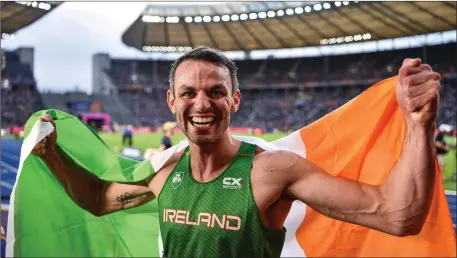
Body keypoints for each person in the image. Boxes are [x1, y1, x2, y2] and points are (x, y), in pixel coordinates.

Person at [32, 46, 440, 258]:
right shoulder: (167, 170)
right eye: (188, 93)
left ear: (236, 100)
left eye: (216, 92)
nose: (202, 104)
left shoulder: (272, 170)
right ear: (171, 102)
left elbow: (396, 215)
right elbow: (98, 200)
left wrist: (418, 125)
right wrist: (51, 153)